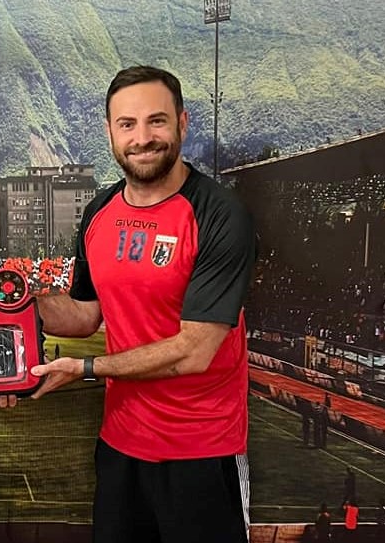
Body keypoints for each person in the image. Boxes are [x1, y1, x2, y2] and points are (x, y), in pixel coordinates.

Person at [29, 65, 257, 543]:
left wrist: (86, 369)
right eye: (127, 124)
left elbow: (194, 351)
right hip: (121, 444)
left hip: (201, 450)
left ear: (182, 124)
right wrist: (11, 305)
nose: (142, 138)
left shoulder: (219, 214)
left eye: (157, 121)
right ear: (110, 132)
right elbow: (83, 314)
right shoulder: (100, 210)